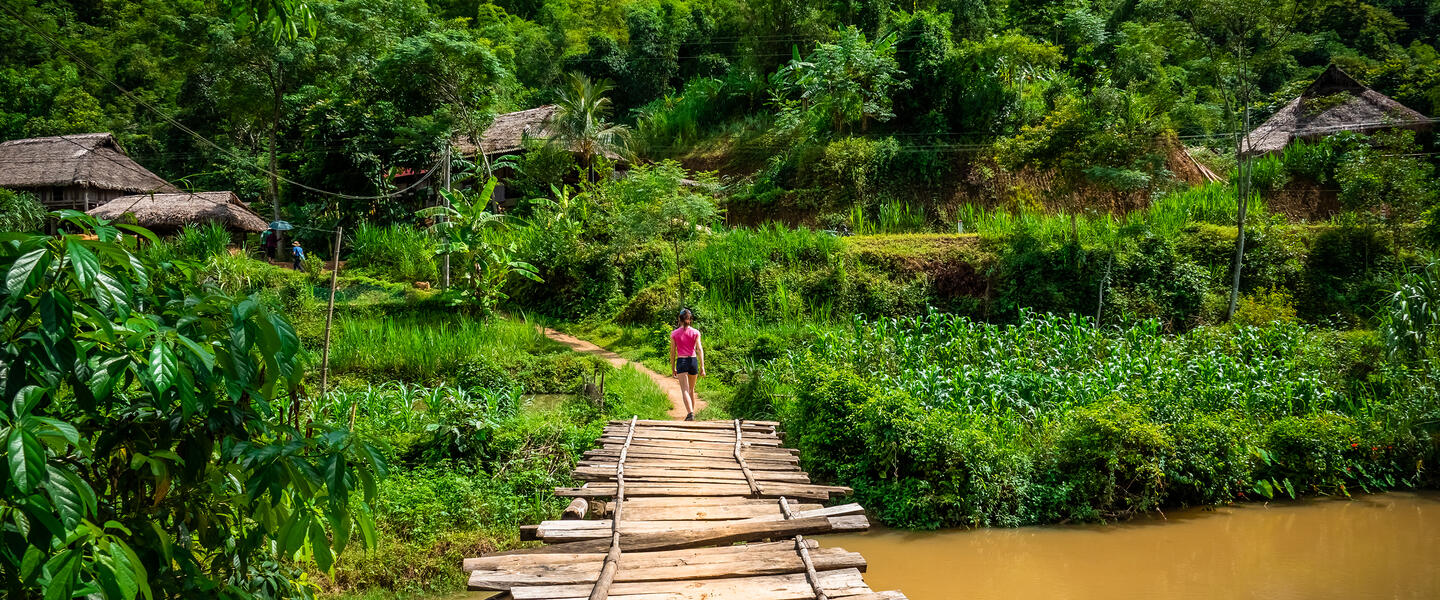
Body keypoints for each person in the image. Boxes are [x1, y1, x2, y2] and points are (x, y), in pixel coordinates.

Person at [669, 308, 705, 421]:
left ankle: (690, 414)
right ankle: (691, 413)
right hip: (693, 361)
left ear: (679, 319)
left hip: (682, 362)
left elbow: (672, 352)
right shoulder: (696, 332)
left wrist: (672, 367)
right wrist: (702, 366)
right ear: (690, 320)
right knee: (691, 390)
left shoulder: (674, 333)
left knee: (685, 389)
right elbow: (699, 349)